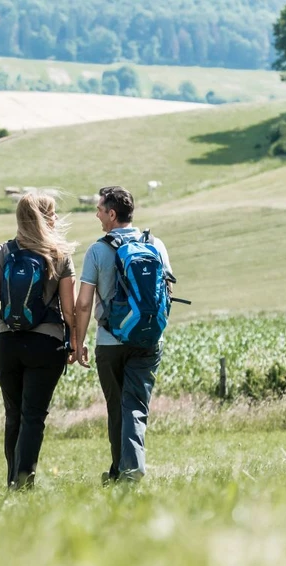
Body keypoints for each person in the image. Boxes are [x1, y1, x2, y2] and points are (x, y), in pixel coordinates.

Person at [0, 193, 78, 489]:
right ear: (45, 218)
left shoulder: (2, 252)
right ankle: (23, 483)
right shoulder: (59, 255)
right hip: (46, 343)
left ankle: (11, 482)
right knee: (33, 416)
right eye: (53, 214)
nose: (56, 218)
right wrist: (77, 341)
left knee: (13, 414)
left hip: (6, 342)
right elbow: (69, 310)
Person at [71, 186, 173, 484]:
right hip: (149, 341)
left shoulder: (98, 250)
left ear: (112, 214)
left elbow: (84, 302)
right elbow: (165, 293)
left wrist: (79, 341)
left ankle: (130, 469)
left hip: (110, 342)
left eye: (100, 210)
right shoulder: (156, 244)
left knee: (118, 407)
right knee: (136, 406)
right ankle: (121, 471)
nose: (97, 214)